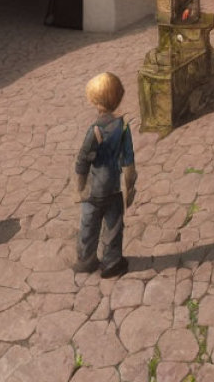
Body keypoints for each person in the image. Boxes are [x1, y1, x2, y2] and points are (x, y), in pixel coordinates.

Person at [74, 71, 137, 278]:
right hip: (113, 188)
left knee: (88, 225)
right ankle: (111, 262)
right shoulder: (124, 128)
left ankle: (86, 259)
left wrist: (80, 188)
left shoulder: (94, 130)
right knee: (113, 226)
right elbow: (129, 164)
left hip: (93, 189)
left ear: (94, 101)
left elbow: (82, 161)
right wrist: (130, 188)